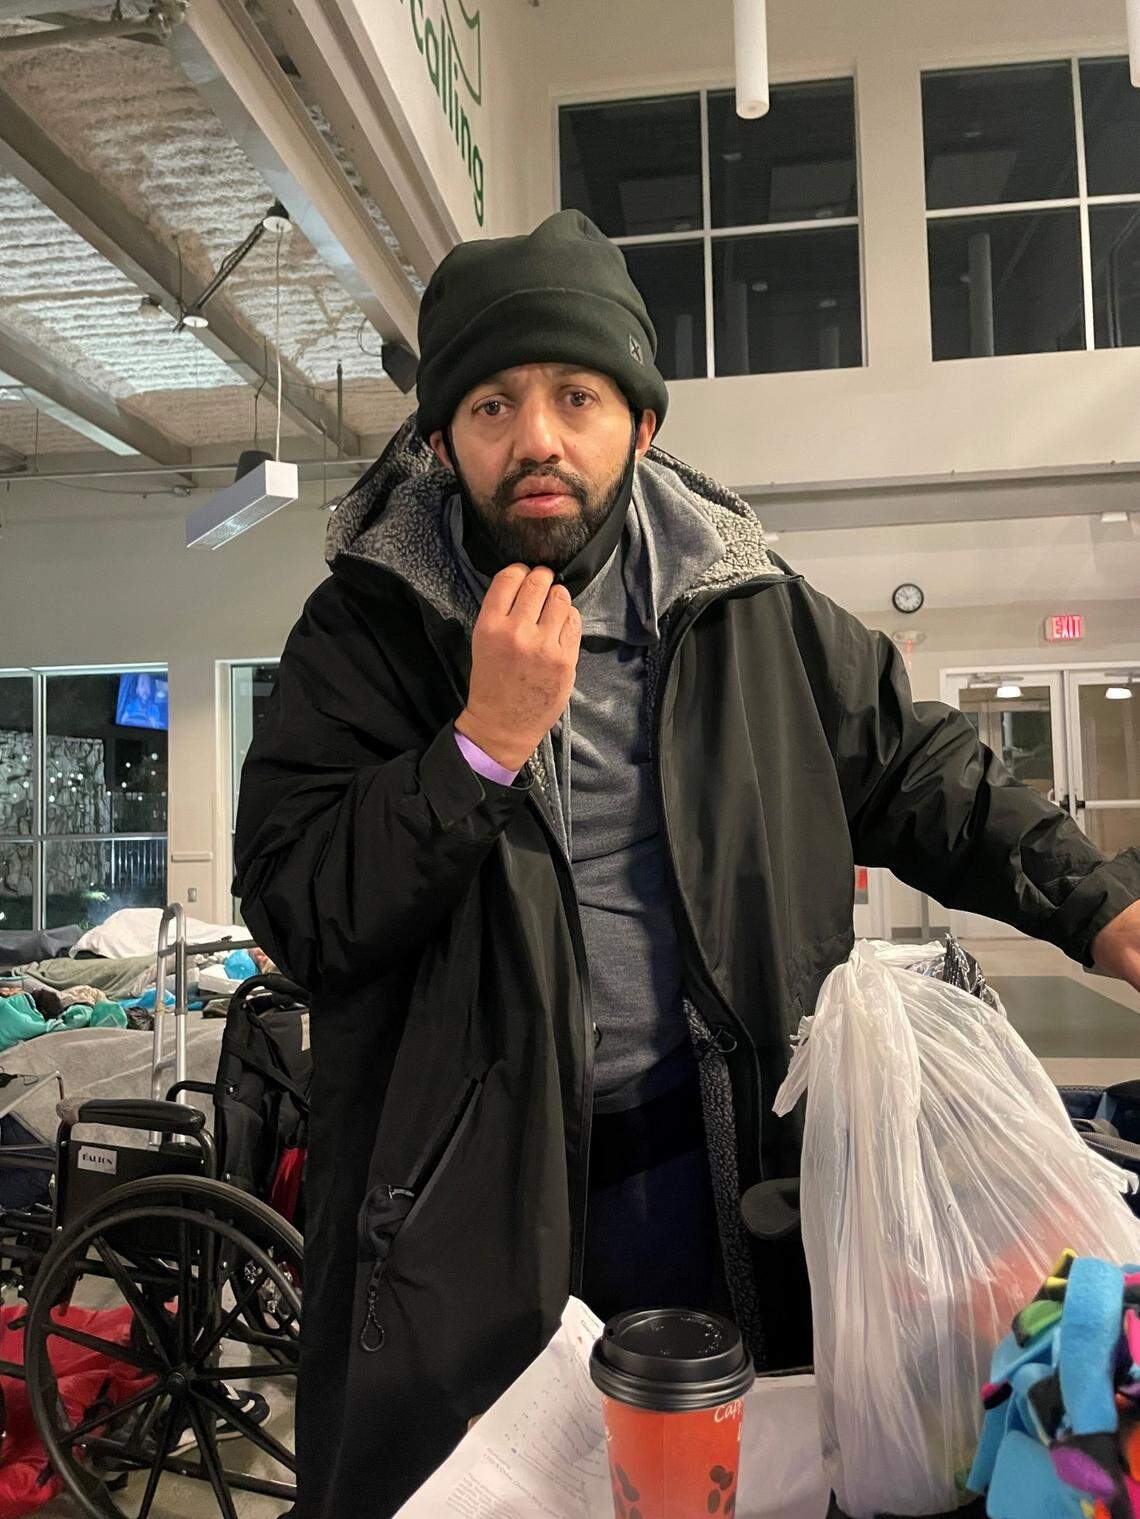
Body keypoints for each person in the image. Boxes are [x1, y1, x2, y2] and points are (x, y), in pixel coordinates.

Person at [232, 210, 1140, 1519]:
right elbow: (303, 906)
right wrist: (477, 750)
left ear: (641, 424)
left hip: (721, 1177)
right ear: (441, 439)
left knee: (734, 1487)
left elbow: (918, 768)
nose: (535, 436)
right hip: (466, 1218)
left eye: (576, 395)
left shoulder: (742, 605)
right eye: (492, 403)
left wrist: (1101, 905)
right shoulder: (366, 637)